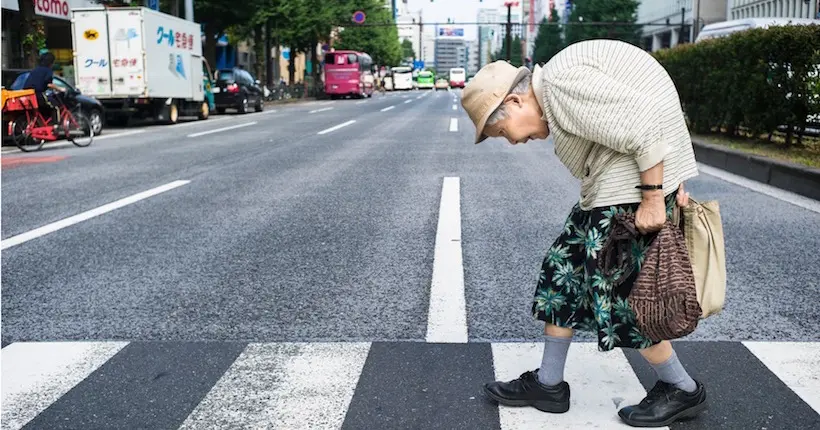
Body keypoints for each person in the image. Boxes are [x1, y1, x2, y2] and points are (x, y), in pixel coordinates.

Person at [461, 39, 706, 428]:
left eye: (502, 131)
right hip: (616, 184)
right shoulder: (559, 88)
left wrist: (656, 196)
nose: (512, 141)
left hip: (629, 191)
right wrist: (670, 177)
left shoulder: (559, 85)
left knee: (625, 296)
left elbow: (643, 120)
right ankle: (548, 385)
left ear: (515, 102)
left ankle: (682, 389)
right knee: (562, 275)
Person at [23, 52, 65, 122]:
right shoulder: (48, 71)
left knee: (41, 108)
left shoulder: (35, 69)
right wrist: (60, 89)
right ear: (51, 62)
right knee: (55, 106)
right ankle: (55, 126)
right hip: (38, 94)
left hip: (27, 94)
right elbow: (49, 84)